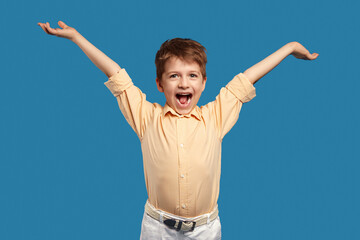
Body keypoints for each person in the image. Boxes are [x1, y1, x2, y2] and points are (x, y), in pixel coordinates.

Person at [38, 21, 319, 239]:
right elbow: (116, 75)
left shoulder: (215, 115)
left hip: (205, 231)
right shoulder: (147, 117)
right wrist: (76, 38)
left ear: (204, 83)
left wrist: (290, 47)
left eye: (192, 76)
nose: (184, 84)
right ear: (160, 84)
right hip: (157, 229)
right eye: (174, 76)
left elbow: (247, 77)